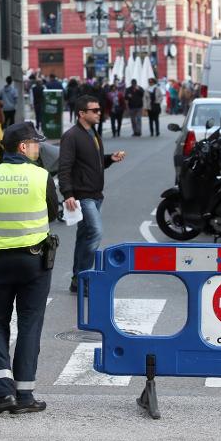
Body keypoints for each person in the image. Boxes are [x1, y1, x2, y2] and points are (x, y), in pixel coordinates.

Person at [0, 121, 59, 416]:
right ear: (23, 147)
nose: (39, 148)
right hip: (34, 261)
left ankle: (2, 393)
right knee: (29, 323)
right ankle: (25, 395)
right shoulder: (41, 176)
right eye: (35, 143)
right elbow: (53, 211)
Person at [58, 95, 126, 293]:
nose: (99, 113)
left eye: (99, 110)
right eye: (94, 110)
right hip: (83, 196)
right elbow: (65, 167)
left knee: (84, 236)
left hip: (96, 194)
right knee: (95, 232)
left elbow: (93, 163)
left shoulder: (93, 133)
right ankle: (85, 277)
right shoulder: (71, 136)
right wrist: (68, 193)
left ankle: (77, 279)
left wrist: (109, 159)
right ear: (81, 113)